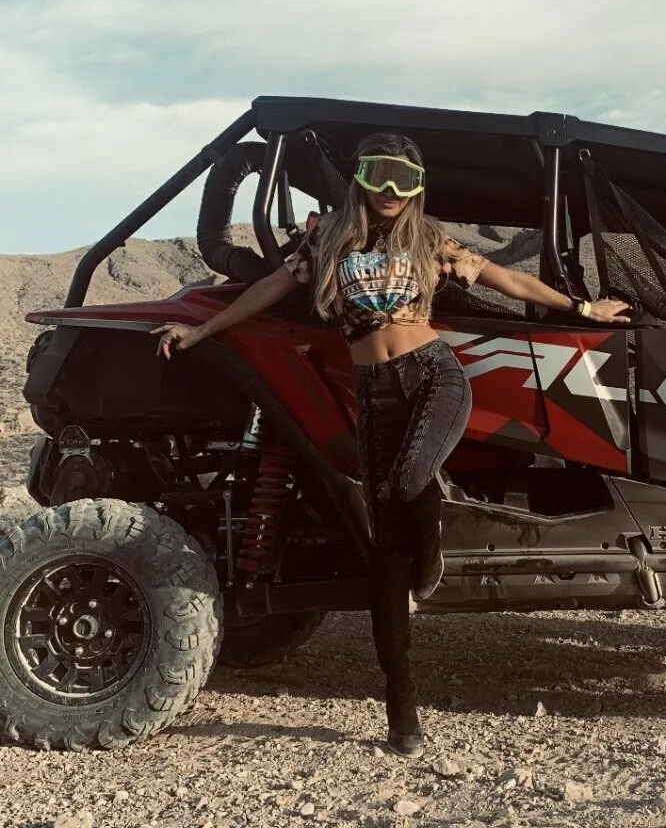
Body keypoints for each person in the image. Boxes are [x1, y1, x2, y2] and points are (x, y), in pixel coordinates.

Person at [154, 131, 631, 756]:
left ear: (418, 188)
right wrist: (199, 331)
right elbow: (265, 290)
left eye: (403, 179)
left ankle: (430, 557)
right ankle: (401, 707)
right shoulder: (327, 241)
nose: (389, 190)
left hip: (434, 377)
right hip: (374, 395)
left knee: (409, 484)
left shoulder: (430, 240)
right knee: (382, 551)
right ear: (359, 178)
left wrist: (583, 309)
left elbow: (508, 281)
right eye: (378, 174)